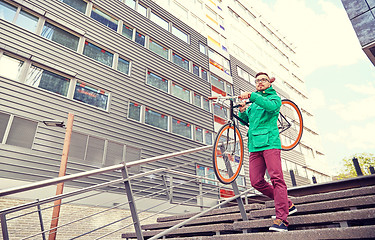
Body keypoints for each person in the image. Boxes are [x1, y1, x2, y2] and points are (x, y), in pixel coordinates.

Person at [238, 72, 297, 232]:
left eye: (263, 80)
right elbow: (246, 121)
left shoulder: (274, 98)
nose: (260, 82)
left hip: (270, 143)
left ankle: (282, 219)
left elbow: (270, 107)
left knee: (276, 178)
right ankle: (287, 203)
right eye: (257, 81)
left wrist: (252, 96)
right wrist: (243, 111)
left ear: (269, 83)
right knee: (256, 181)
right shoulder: (254, 103)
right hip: (255, 145)